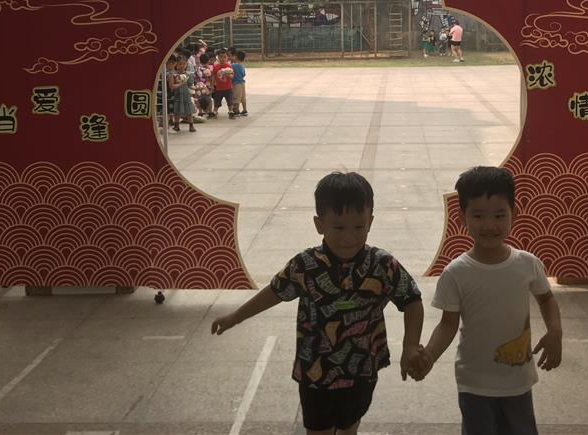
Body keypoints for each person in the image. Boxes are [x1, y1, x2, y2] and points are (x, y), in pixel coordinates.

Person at [211, 171, 425, 435]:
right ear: (319, 224)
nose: (349, 237)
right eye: (339, 227)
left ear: (370, 221)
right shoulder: (306, 265)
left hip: (362, 370)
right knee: (318, 430)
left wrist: (410, 345)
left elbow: (412, 299)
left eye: (358, 227)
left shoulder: (383, 265)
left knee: (349, 427)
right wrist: (236, 316)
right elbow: (275, 291)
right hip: (316, 373)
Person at [413, 166, 562, 435]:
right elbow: (448, 324)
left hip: (517, 379)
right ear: (462, 217)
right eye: (479, 215)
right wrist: (430, 356)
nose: (490, 225)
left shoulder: (527, 264)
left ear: (514, 214)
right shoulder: (456, 273)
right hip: (474, 382)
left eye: (499, 215)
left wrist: (555, 331)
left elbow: (547, 299)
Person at [167, 55, 195, 132]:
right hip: (176, 95)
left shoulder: (188, 74)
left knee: (189, 111)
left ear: (186, 64)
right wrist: (181, 84)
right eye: (180, 64)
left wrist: (198, 88)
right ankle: (176, 125)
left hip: (186, 95)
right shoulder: (173, 74)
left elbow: (190, 85)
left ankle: (191, 125)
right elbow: (172, 86)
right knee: (177, 111)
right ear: (176, 64)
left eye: (184, 64)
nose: (182, 65)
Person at [211, 49, 235, 120]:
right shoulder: (216, 67)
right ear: (218, 58)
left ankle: (231, 111)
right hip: (219, 88)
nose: (223, 58)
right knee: (217, 101)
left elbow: (232, 76)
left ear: (227, 58)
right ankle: (215, 112)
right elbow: (213, 77)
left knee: (230, 101)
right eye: (221, 57)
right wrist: (212, 86)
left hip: (228, 88)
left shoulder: (229, 66)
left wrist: (228, 74)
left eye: (225, 57)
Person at [231, 50, 248, 116]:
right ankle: (244, 110)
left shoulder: (233, 65)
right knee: (243, 97)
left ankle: (236, 111)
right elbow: (244, 74)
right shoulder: (242, 66)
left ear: (236, 57)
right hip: (242, 83)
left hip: (236, 84)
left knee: (236, 98)